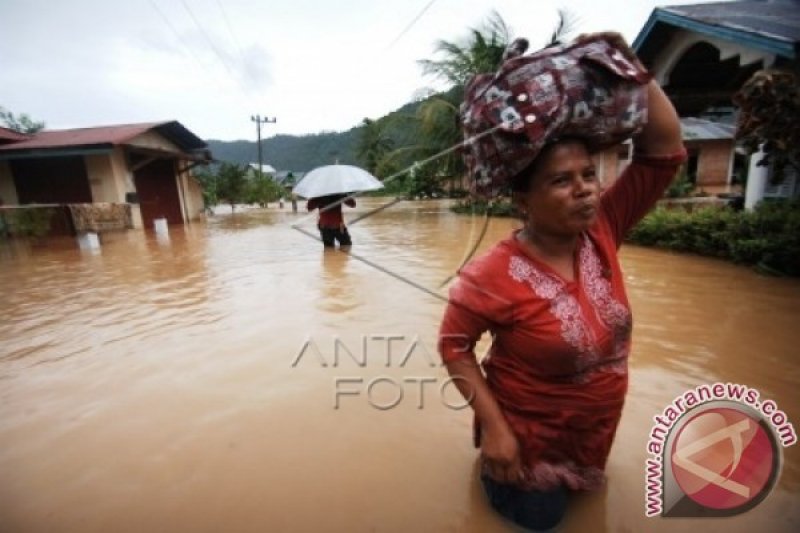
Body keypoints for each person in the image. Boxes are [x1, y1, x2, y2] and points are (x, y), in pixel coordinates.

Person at [437, 33, 686, 531]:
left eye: (588, 174)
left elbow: (664, 149)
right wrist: (495, 428)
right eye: (560, 180)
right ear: (523, 200)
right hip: (524, 442)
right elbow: (453, 346)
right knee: (540, 522)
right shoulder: (491, 273)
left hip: (594, 432)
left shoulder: (603, 229)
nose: (584, 191)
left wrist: (633, 67)